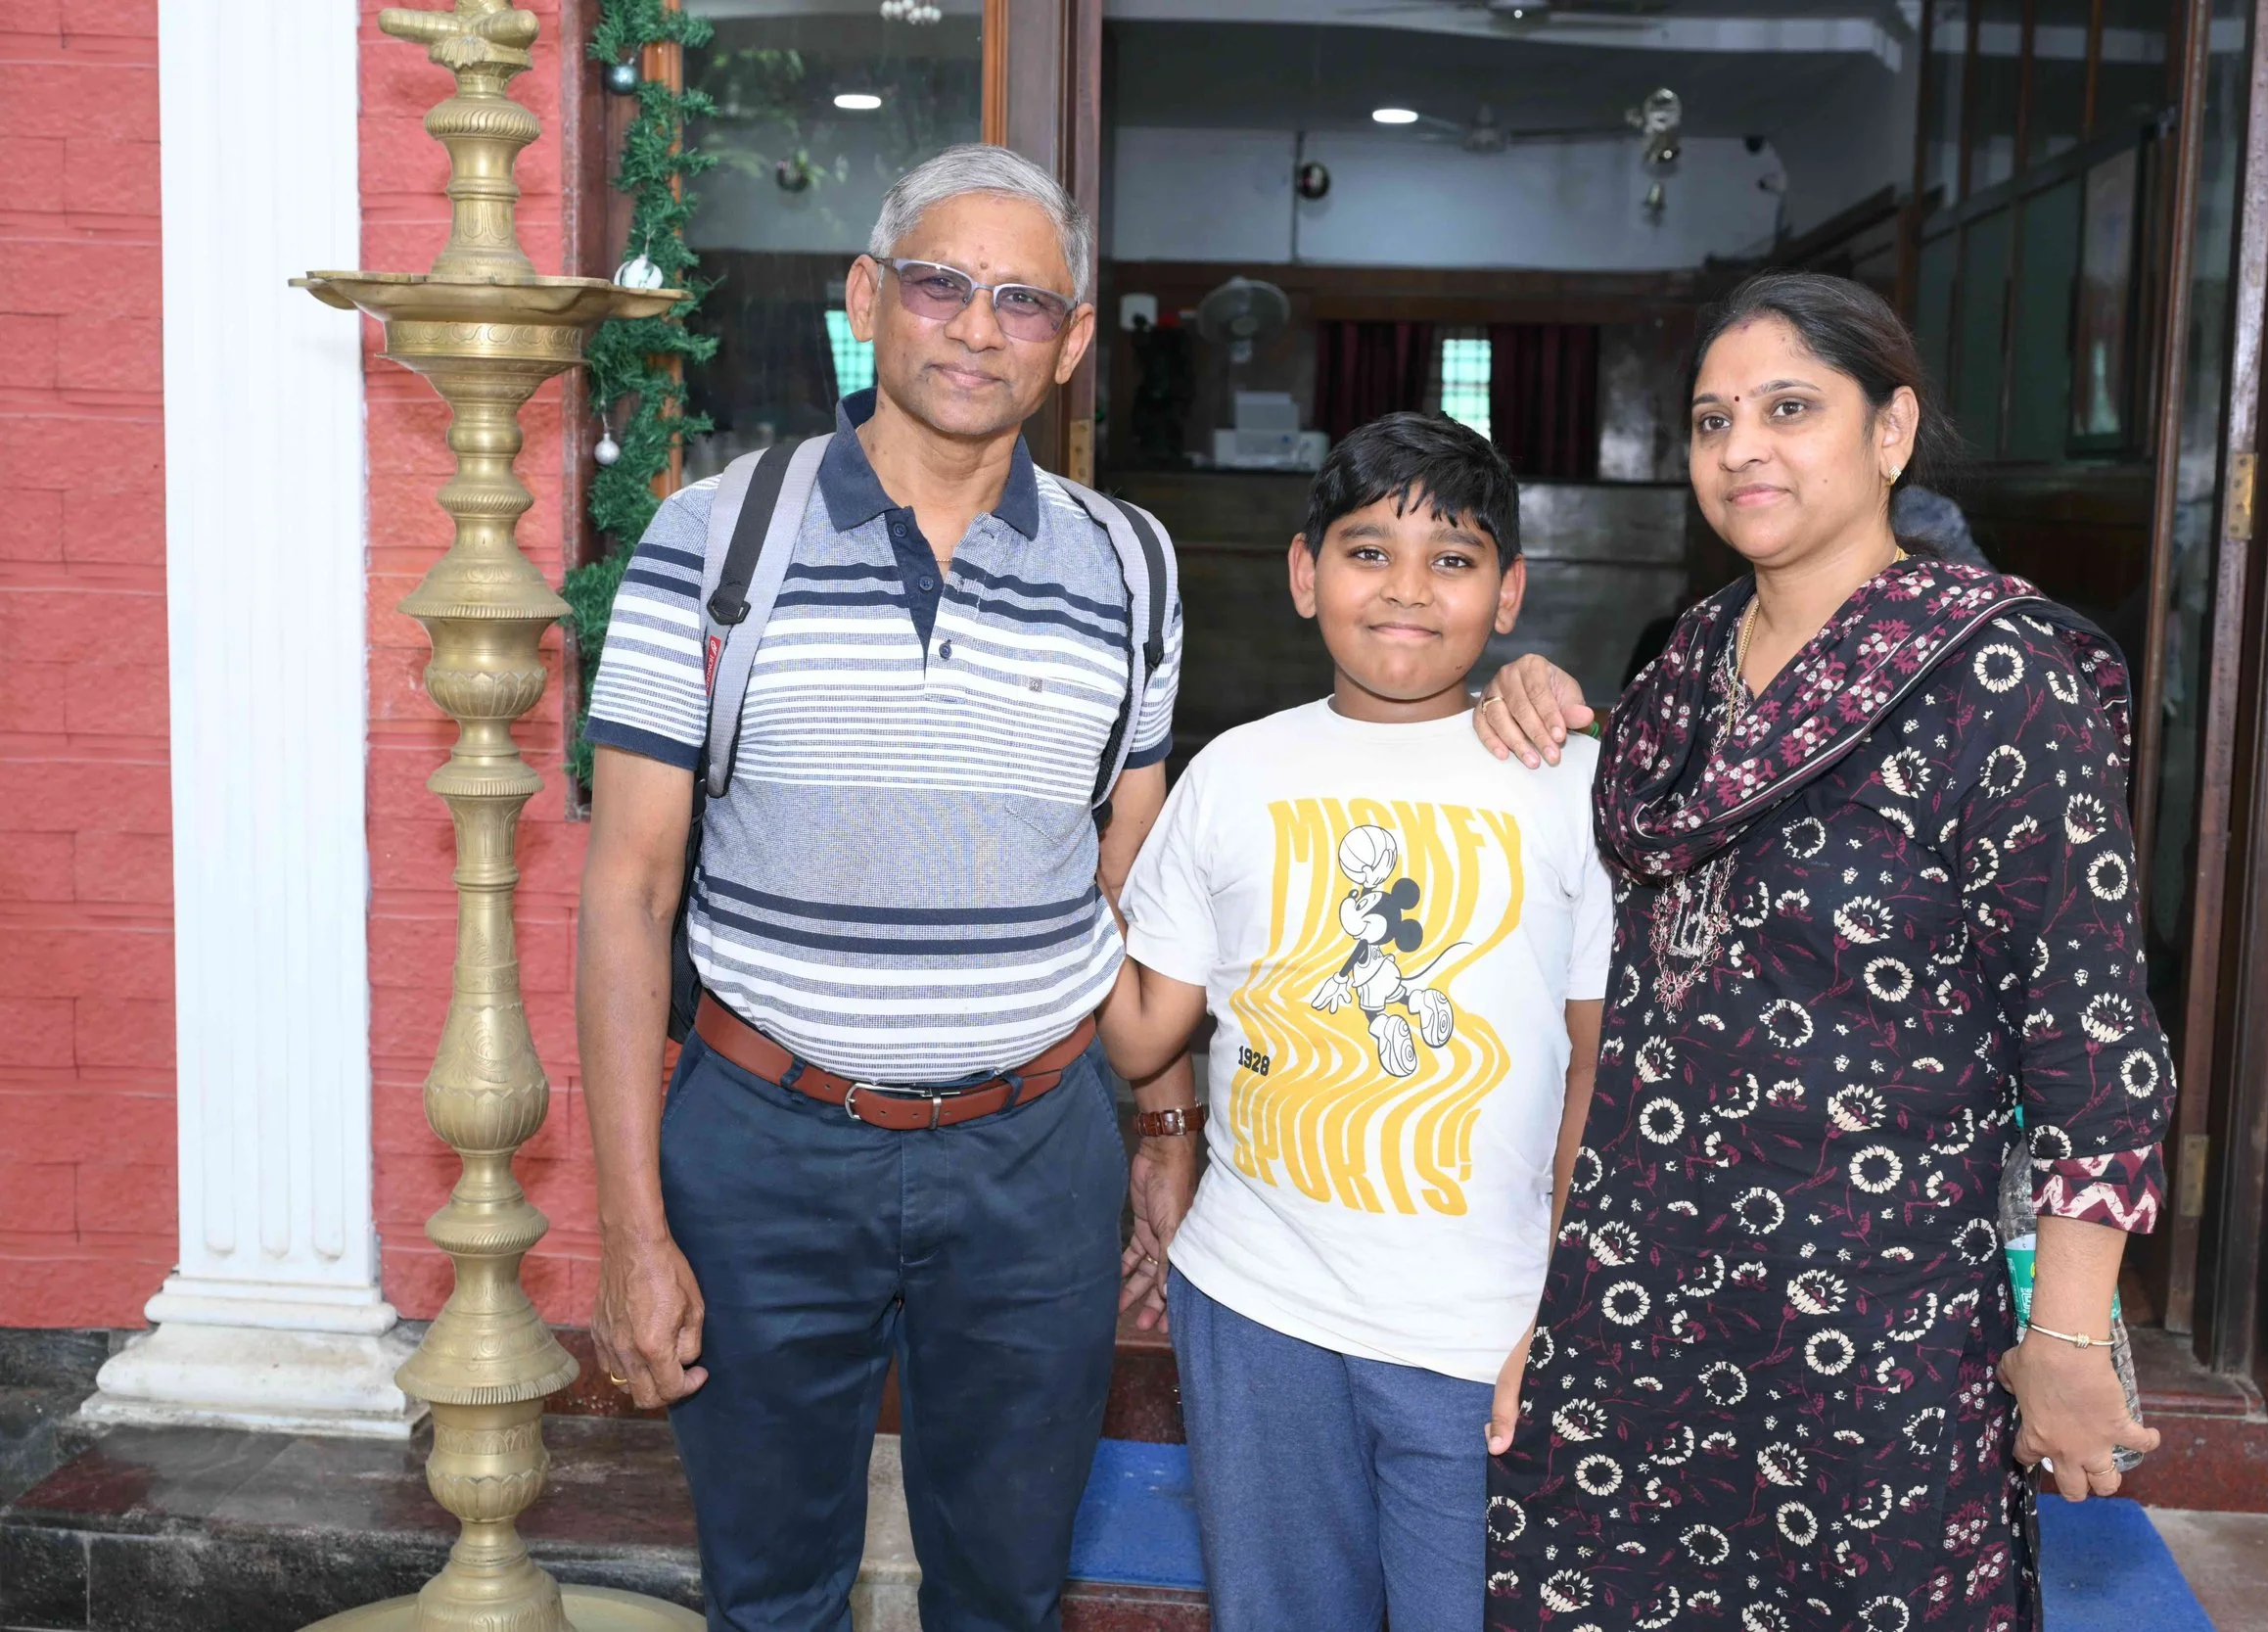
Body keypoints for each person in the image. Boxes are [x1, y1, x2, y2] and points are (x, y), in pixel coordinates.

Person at [1469, 271, 2173, 1631]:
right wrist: (1528, 681)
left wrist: (2069, 1333)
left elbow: (2092, 1033)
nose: (1743, 447)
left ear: (1891, 431)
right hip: (1646, 1287)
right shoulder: (1683, 668)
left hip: (1877, 1312)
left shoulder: (1997, 676)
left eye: (1790, 408)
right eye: (1712, 418)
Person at [574, 144, 1190, 1632]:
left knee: (1008, 1589)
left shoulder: (1135, 569)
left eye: (1025, 300)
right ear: (867, 297)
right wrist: (633, 1229)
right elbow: (625, 895)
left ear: (1075, 340)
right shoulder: (714, 539)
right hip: (764, 1145)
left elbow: (1140, 894)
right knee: (772, 1593)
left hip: (1034, 1163)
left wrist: (1163, 1127)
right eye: (940, 283)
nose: (978, 327)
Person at [1099, 413, 1613, 1632]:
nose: (1406, 589)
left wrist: (1568, 1305)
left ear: (1508, 593)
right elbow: (1139, 1034)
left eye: (1453, 557)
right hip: (1256, 1301)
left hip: (1481, 1328)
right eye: (1367, 550)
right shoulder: (1233, 771)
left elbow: (1599, 1063)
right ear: (1302, 573)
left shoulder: (1567, 781)